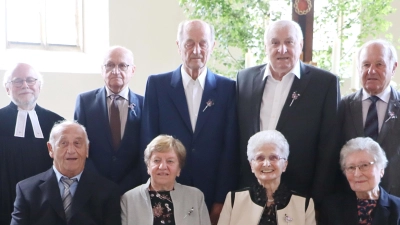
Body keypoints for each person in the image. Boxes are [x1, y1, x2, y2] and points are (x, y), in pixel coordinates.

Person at [141, 19, 238, 224]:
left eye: (203, 43)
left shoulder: (227, 89)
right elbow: (148, 142)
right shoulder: (158, 85)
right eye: (189, 43)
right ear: (178, 46)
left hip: (211, 192)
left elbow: (230, 149)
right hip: (167, 188)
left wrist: (221, 199)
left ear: (212, 46)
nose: (196, 50)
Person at [236, 19, 341, 206]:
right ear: (266, 46)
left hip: (301, 195)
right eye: (275, 42)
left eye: (289, 42)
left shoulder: (324, 84)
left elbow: (329, 147)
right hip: (251, 192)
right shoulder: (245, 79)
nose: (281, 49)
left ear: (300, 45)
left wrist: (318, 201)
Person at [10, 120, 121, 225]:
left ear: (87, 149)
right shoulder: (27, 190)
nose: (71, 150)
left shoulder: (108, 191)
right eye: (64, 143)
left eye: (77, 143)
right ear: (50, 149)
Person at [0, 63, 64, 224]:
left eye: (30, 80)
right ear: (7, 89)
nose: (25, 85)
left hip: (47, 205)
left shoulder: (57, 123)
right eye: (17, 81)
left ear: (39, 86)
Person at [74, 46, 143, 195]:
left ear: (132, 70)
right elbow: (79, 146)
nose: (116, 71)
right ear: (102, 69)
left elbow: (147, 149)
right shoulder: (85, 102)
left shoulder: (145, 104)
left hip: (133, 189)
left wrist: (128, 184)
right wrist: (99, 182)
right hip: (94, 188)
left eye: (122, 65)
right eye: (110, 65)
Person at [340, 39, 400, 196]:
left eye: (379, 64)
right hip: (350, 202)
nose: (371, 71)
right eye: (366, 65)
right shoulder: (343, 107)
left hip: (395, 204)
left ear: (393, 68)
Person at [218, 130, 316, 225]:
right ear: (251, 165)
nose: (266, 163)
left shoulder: (304, 204)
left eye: (273, 157)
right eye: (260, 158)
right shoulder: (234, 199)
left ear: (285, 165)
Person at [121, 135, 211, 225]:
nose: (162, 167)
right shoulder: (129, 199)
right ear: (148, 166)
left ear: (179, 169)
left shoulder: (195, 197)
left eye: (170, 161)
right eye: (156, 160)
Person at [320, 137, 400, 225]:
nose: (357, 174)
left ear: (381, 170)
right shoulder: (331, 207)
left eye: (365, 165)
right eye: (351, 167)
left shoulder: (397, 208)